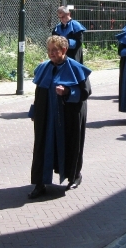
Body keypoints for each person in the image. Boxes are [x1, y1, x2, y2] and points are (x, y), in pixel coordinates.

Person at [28, 35, 92, 199]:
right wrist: (34, 111)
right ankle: (40, 183)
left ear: (64, 50)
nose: (51, 53)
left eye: (54, 50)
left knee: (71, 145)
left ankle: (74, 176)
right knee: (42, 146)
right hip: (47, 117)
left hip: (68, 116)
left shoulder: (76, 68)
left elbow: (85, 92)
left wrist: (68, 92)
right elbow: (38, 93)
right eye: (49, 50)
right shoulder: (43, 67)